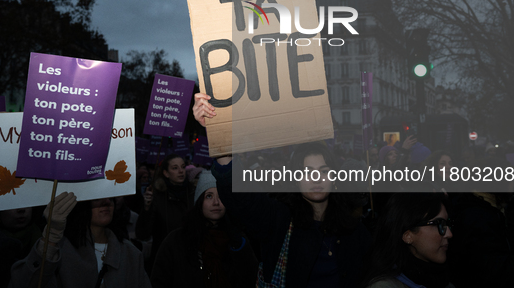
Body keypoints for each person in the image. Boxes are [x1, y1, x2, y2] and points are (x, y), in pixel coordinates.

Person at [194, 93, 372, 288]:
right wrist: (218, 132)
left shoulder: (353, 228)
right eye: (307, 172)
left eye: (324, 171)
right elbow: (241, 195)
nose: (316, 178)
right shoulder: (277, 219)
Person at [9, 193, 151, 288]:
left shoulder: (130, 253)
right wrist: (51, 238)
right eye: (97, 197)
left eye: (110, 196)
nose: (106, 202)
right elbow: (26, 283)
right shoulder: (60, 250)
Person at [150, 170, 258, 287]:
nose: (216, 202)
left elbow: (251, 278)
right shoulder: (177, 240)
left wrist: (239, 248)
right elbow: (159, 280)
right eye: (209, 196)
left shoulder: (238, 239)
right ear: (200, 201)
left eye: (221, 196)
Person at [363, 193, 454, 288]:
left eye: (447, 224)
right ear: (407, 236)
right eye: (438, 224)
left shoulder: (443, 281)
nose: (449, 234)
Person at [136, 154, 195, 271]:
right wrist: (147, 208)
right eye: (175, 168)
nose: (180, 171)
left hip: (190, 260)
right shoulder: (157, 197)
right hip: (165, 263)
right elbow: (143, 234)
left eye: (183, 167)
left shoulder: (193, 193)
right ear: (166, 173)